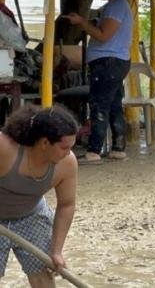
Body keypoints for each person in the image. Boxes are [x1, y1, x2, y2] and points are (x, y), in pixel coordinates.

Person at [0, 104, 79, 287]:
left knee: (43, 276)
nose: (69, 153)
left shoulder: (67, 163)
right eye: (64, 147)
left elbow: (66, 205)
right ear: (45, 143)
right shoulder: (5, 148)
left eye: (71, 147)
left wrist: (57, 250)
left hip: (32, 216)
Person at [64, 0, 132, 164]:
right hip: (114, 62)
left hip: (108, 63)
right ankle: (118, 147)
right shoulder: (114, 5)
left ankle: (94, 150)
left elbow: (103, 35)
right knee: (113, 105)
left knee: (99, 105)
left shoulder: (117, 7)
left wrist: (82, 23)